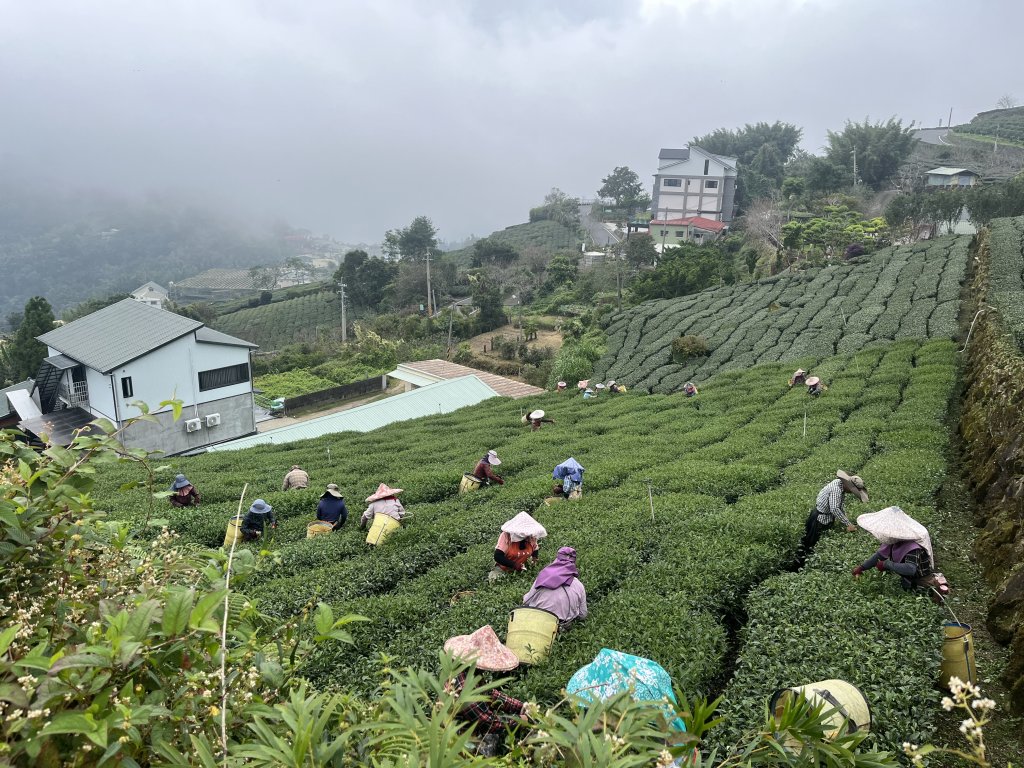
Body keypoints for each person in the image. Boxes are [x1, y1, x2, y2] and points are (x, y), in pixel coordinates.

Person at [443, 625, 528, 756]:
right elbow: (488, 723)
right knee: (490, 738)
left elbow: (490, 694)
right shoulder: (465, 687)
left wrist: (520, 706)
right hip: (456, 738)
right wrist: (519, 720)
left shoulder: (468, 671)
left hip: (467, 726)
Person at [852, 506, 945, 593]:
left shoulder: (912, 546)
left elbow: (910, 569)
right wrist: (862, 568)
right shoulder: (894, 539)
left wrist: (886, 564)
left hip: (920, 581)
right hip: (907, 579)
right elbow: (879, 555)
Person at [799, 470, 868, 556]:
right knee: (811, 542)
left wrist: (845, 519)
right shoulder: (836, 489)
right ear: (847, 485)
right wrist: (848, 524)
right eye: (852, 490)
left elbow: (839, 505)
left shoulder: (840, 484)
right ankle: (804, 559)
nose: (851, 492)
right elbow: (835, 509)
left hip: (826, 517)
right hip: (819, 518)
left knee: (820, 540)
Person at [522, 547, 588, 630]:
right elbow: (583, 615)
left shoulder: (544, 576)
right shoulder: (579, 585)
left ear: (557, 559)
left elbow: (526, 601)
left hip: (539, 621)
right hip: (562, 626)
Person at [490, 512, 546, 581]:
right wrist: (514, 565)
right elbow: (498, 556)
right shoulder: (506, 536)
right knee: (495, 580)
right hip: (503, 569)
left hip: (522, 569)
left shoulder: (531, 537)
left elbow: (535, 549)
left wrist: (534, 559)